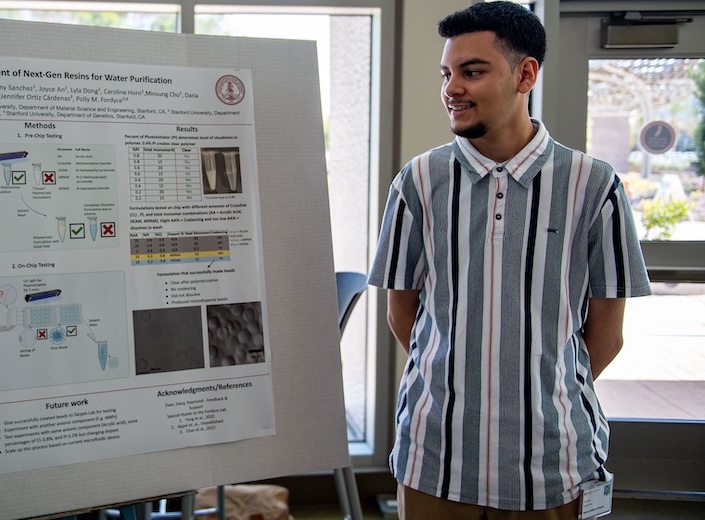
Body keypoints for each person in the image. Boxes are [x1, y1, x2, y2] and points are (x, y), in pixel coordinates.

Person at [367, 2, 652, 519]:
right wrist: (461, 380)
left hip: (552, 459)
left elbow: (607, 335)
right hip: (435, 456)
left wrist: (534, 387)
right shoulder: (419, 181)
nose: (452, 87)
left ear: (526, 74)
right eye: (447, 73)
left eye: (472, 71)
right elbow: (400, 313)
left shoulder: (593, 185)